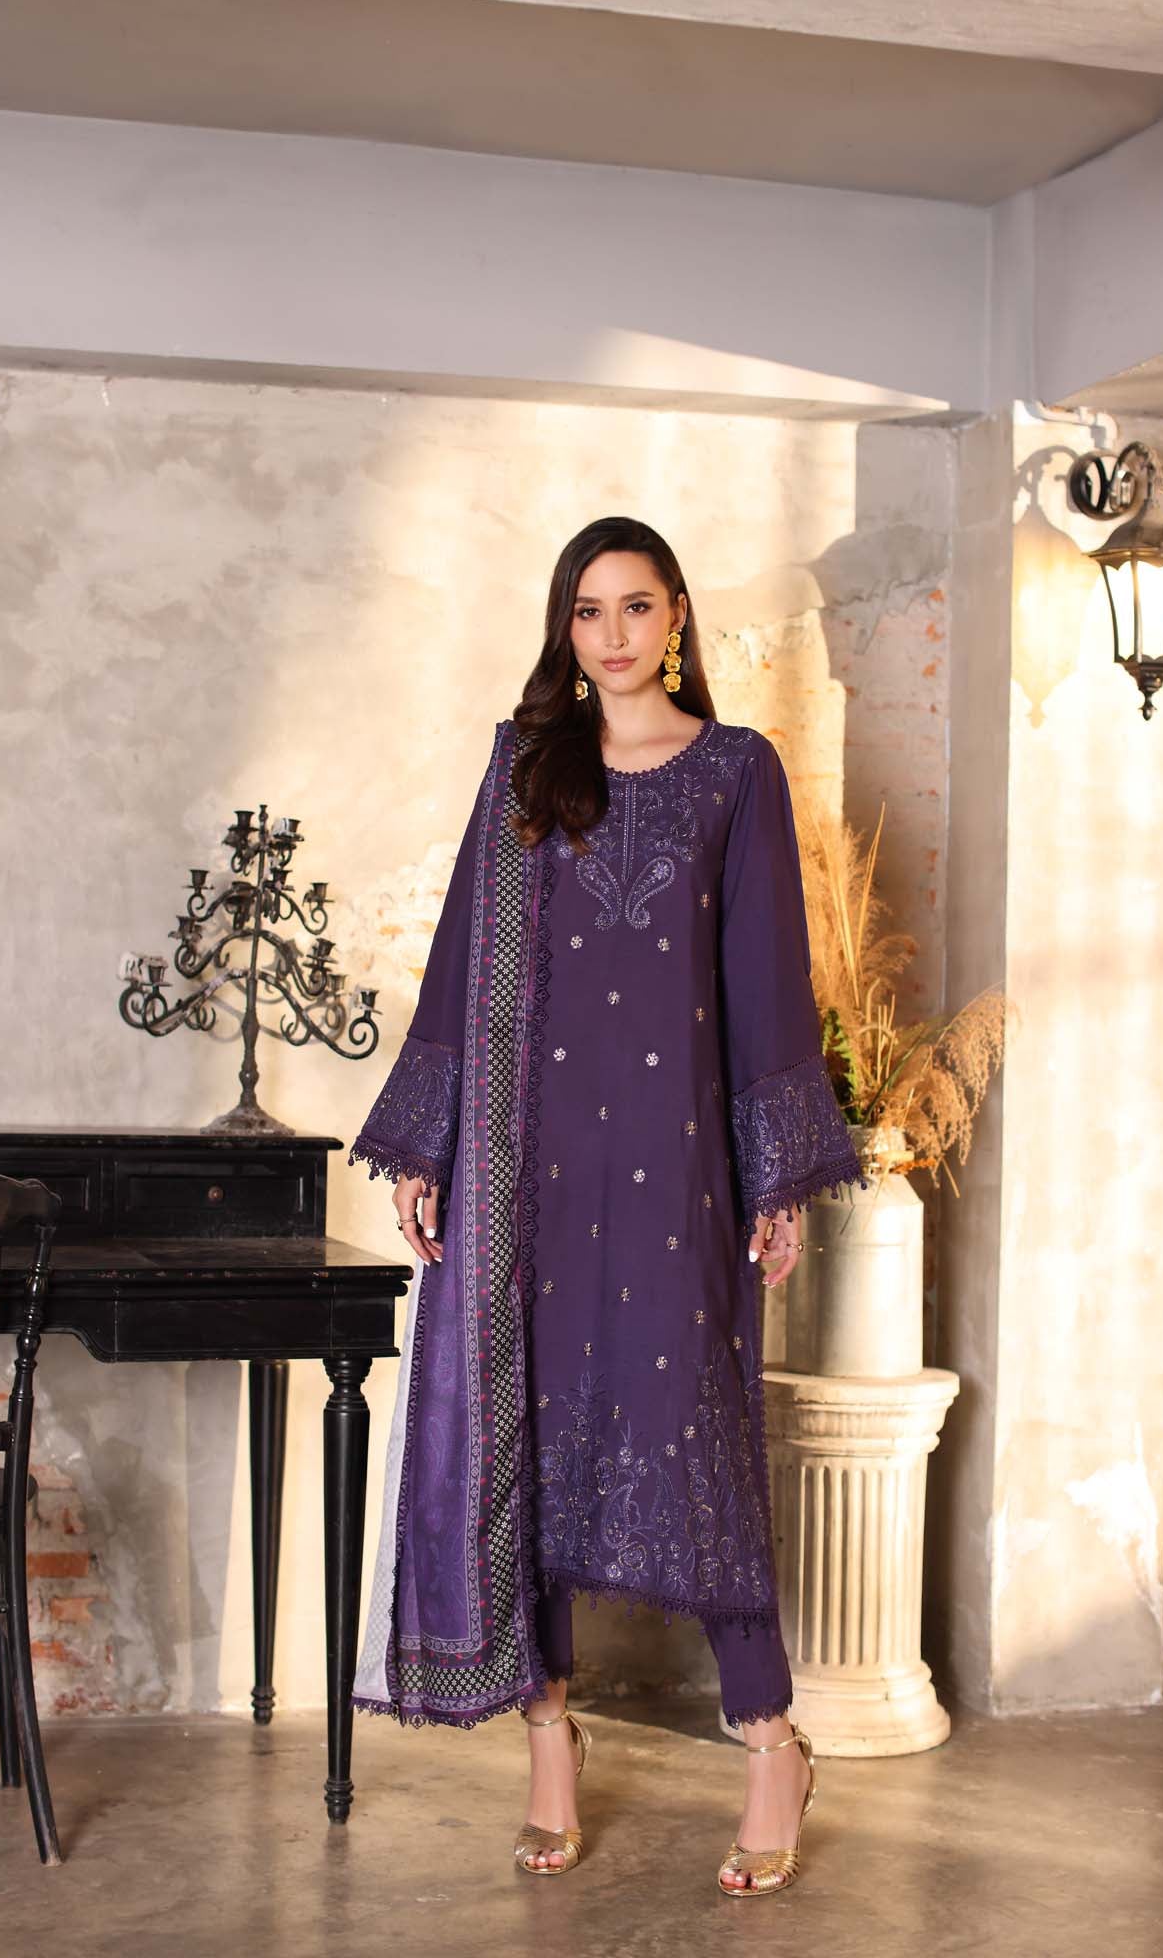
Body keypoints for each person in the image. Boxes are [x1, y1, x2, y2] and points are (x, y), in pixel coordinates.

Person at [347, 516, 867, 1895]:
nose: (613, 634)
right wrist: (429, 1146)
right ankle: (549, 1745)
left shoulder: (736, 772)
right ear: (564, 629)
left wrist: (777, 1177)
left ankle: (769, 1743)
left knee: (702, 1443)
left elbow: (766, 976)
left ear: (677, 616)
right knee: (527, 1439)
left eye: (636, 606)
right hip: (530, 1164)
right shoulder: (529, 771)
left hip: (678, 1169)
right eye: (588, 611)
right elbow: (461, 958)